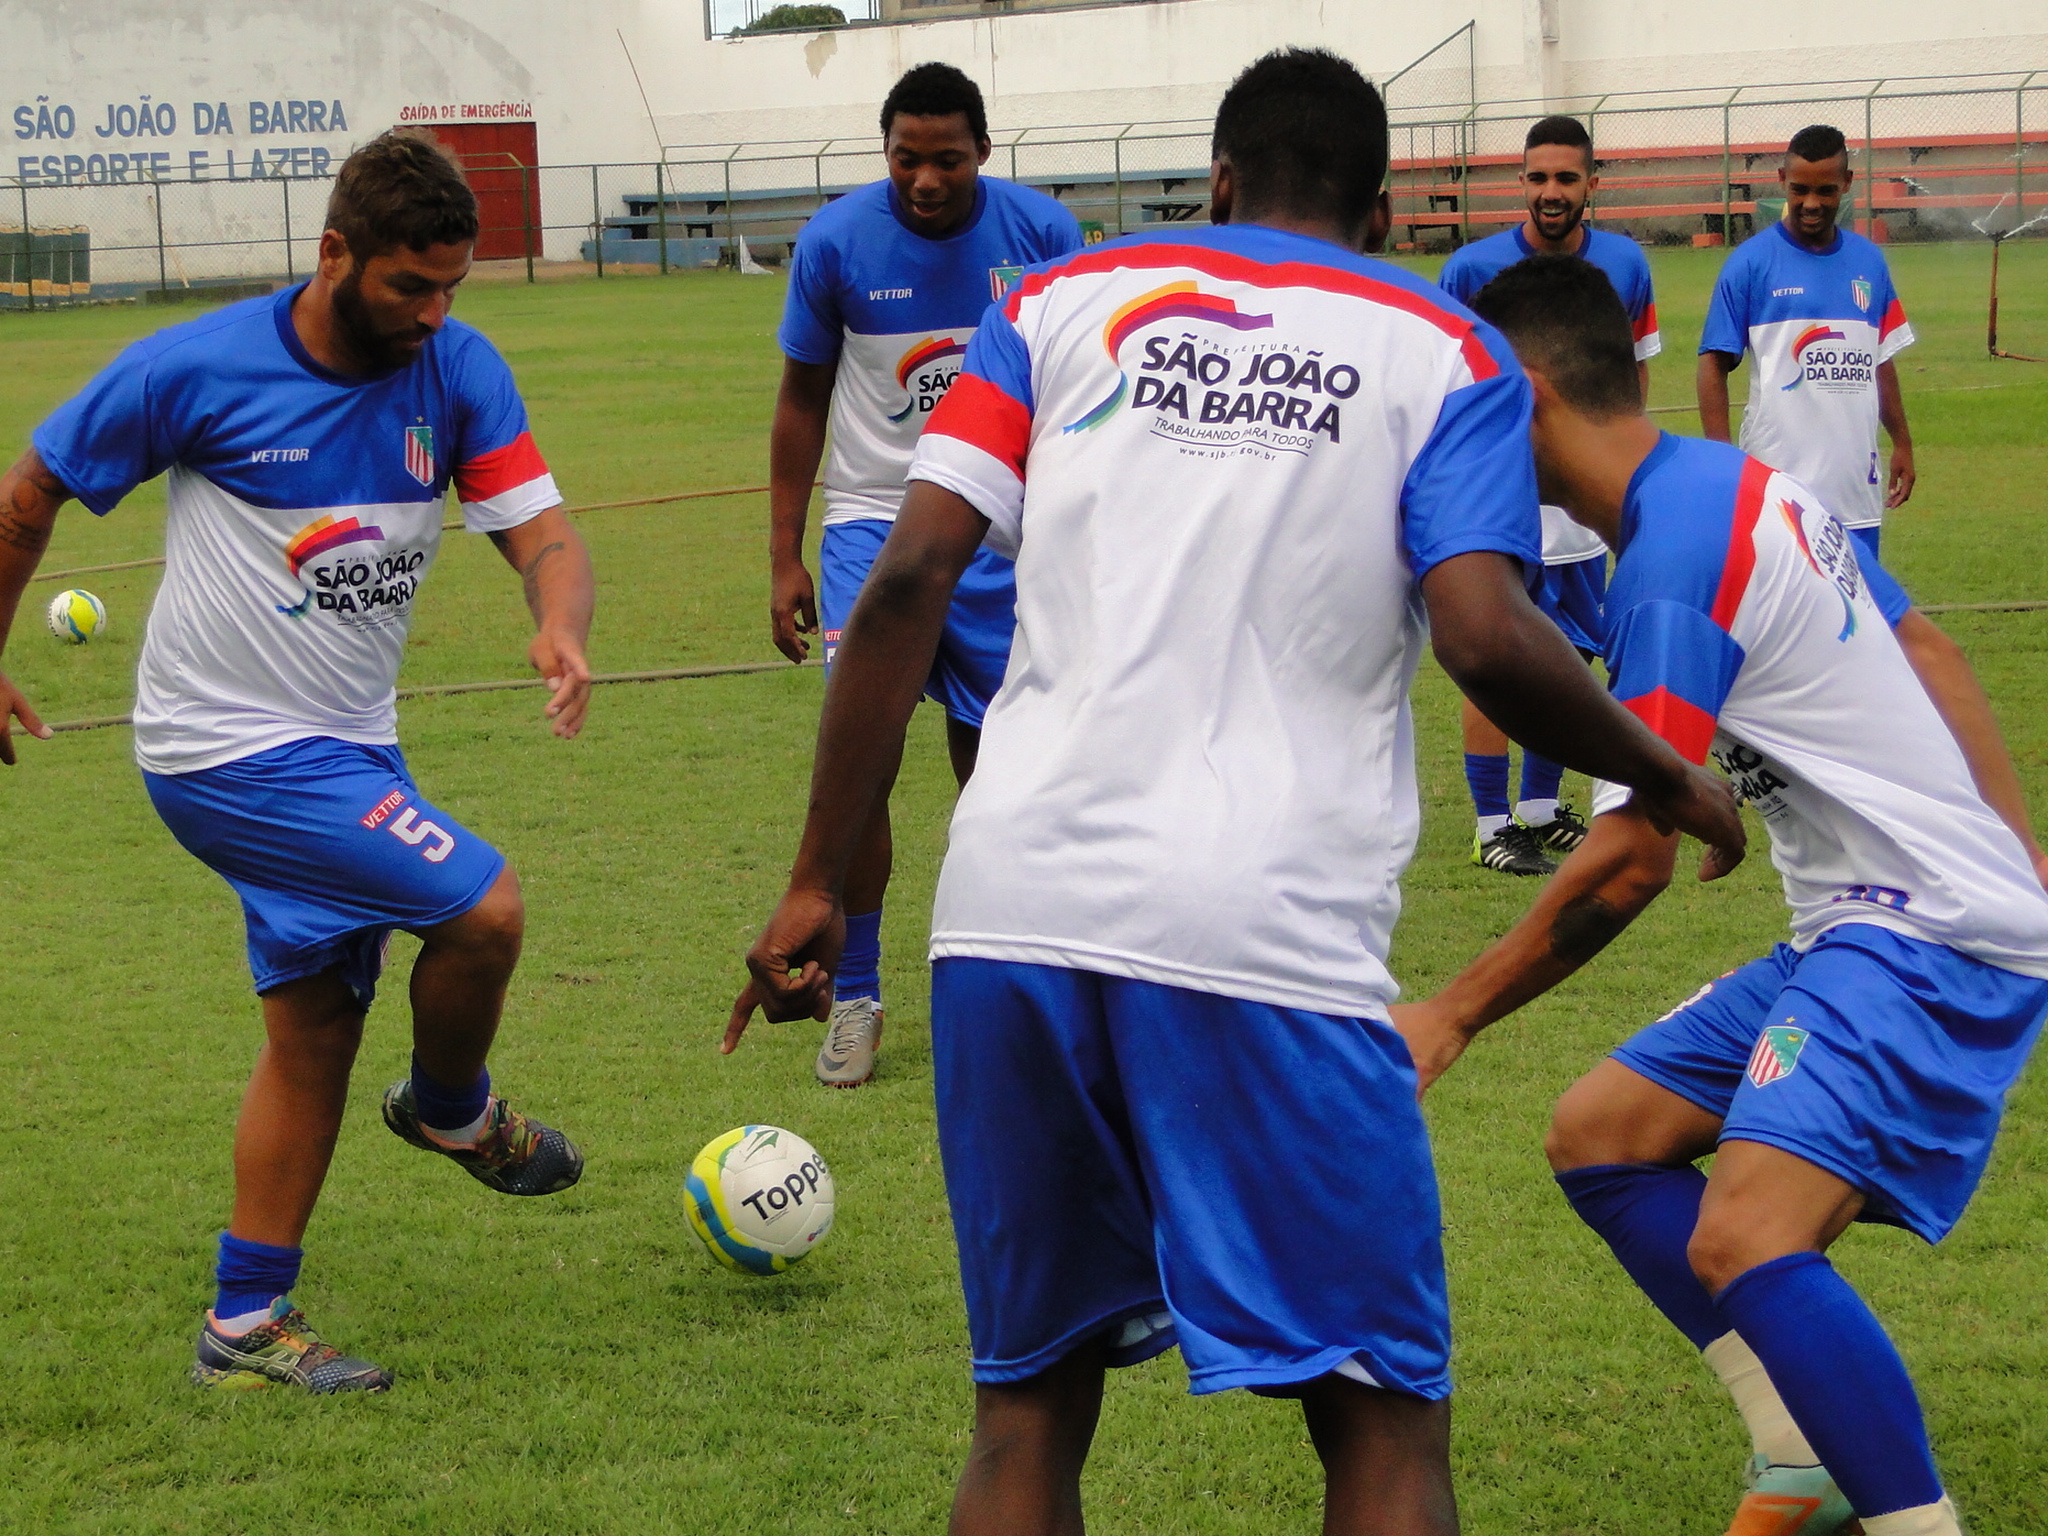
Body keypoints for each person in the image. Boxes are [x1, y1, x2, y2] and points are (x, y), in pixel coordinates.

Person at [729, 51, 1743, 1534]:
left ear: (1216, 181)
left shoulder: (1049, 303)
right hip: (1264, 932)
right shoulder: (1446, 351)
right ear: (1385, 207)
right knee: (1386, 1424)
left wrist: (820, 873)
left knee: (1025, 1417)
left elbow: (904, 580)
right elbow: (1479, 628)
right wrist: (1666, 769)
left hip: (1010, 912)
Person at [1397, 254, 2048, 1536]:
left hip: (1917, 935)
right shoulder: (1734, 484)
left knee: (1743, 1235)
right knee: (1600, 1133)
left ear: (1518, 393)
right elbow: (1925, 642)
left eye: (1459, 404)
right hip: (1863, 925)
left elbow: (1627, 859)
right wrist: (2014, 854)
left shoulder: (1667, 556)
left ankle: (1914, 1524)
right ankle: (1798, 1448)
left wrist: (1452, 1013)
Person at [0, 131, 594, 1394]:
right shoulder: (196, 369)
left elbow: (541, 529)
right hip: (223, 753)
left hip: (348, 745)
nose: (433, 316)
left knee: (316, 1027)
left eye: (451, 290)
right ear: (334, 254)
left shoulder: (458, 368)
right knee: (483, 907)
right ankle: (451, 1110)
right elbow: (28, 492)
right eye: (407, 288)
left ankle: (244, 1322)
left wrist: (559, 617)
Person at [768, 62, 1083, 1089]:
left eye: (945, 159)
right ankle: (853, 997)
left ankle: (1001, 980)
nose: (924, 179)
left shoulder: (1042, 238)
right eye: (905, 158)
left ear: (982, 152)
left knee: (998, 770)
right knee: (861, 766)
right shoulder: (834, 243)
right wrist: (784, 553)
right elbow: (799, 402)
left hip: (1002, 531)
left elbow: (1084, 398)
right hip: (872, 525)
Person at [1438, 114, 1660, 876]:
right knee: (1497, 652)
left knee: (1566, 657)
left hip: (1584, 503)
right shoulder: (1471, 269)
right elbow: (1450, 377)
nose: (1551, 191)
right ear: (1521, 183)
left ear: (1593, 183)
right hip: (1505, 500)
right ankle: (1493, 821)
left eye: (1566, 177)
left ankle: (1538, 807)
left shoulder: (1627, 266)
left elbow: (1632, 377)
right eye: (1537, 177)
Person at [1698, 123, 1916, 562]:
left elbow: (1880, 360)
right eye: (1799, 190)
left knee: (1858, 619)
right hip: (1778, 485)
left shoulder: (1869, 261)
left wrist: (1903, 443)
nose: (1811, 203)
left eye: (1825, 191)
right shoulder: (1750, 264)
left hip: (1856, 489)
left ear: (1847, 185)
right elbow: (1712, 365)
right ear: (1781, 181)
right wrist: (1722, 460)